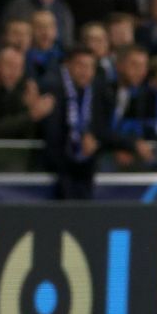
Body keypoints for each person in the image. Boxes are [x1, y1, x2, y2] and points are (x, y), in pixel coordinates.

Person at [43, 45, 116, 199]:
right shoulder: (53, 87)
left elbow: (102, 126)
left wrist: (94, 138)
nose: (85, 71)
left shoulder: (97, 89)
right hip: (60, 165)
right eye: (80, 65)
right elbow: (52, 132)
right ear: (67, 66)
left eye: (90, 67)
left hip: (87, 165)